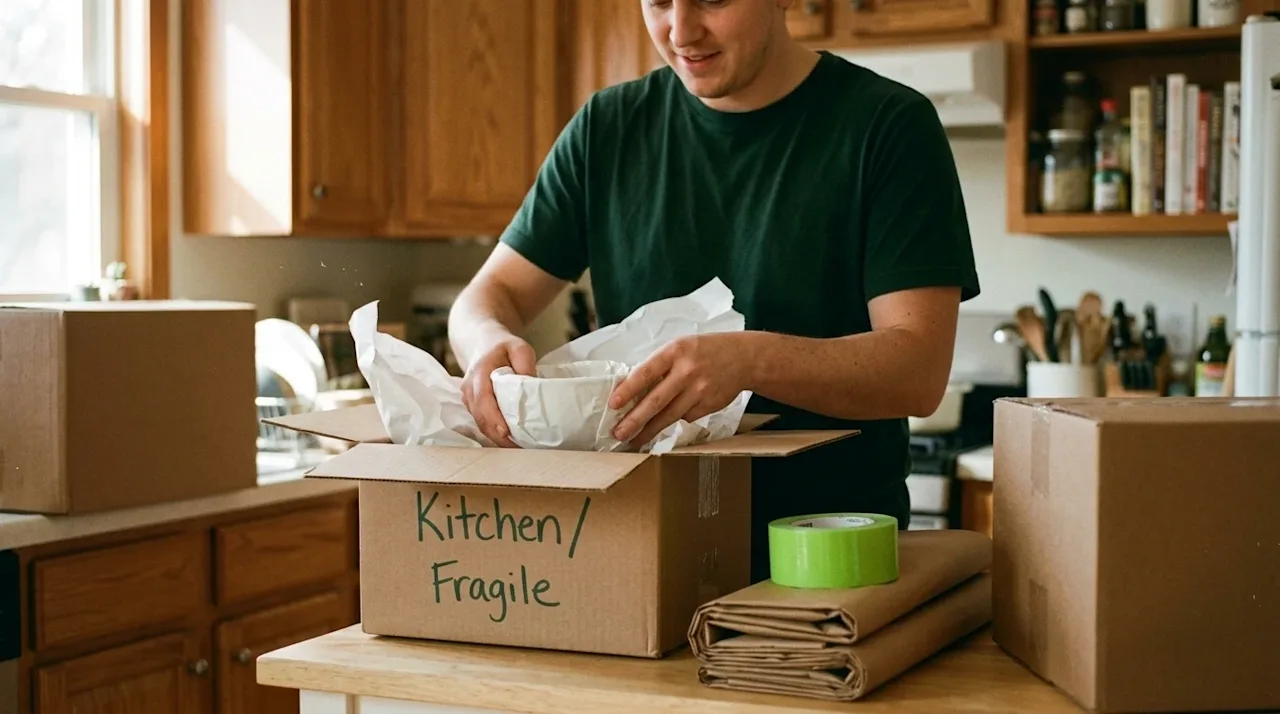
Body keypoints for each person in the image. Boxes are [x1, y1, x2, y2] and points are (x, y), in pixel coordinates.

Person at [448, 0, 980, 583]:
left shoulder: (888, 125)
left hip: (828, 561)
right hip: (639, 551)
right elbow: (488, 294)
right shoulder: (608, 128)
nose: (680, 30)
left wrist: (747, 359)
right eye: (657, 2)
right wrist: (485, 343)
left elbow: (919, 369)